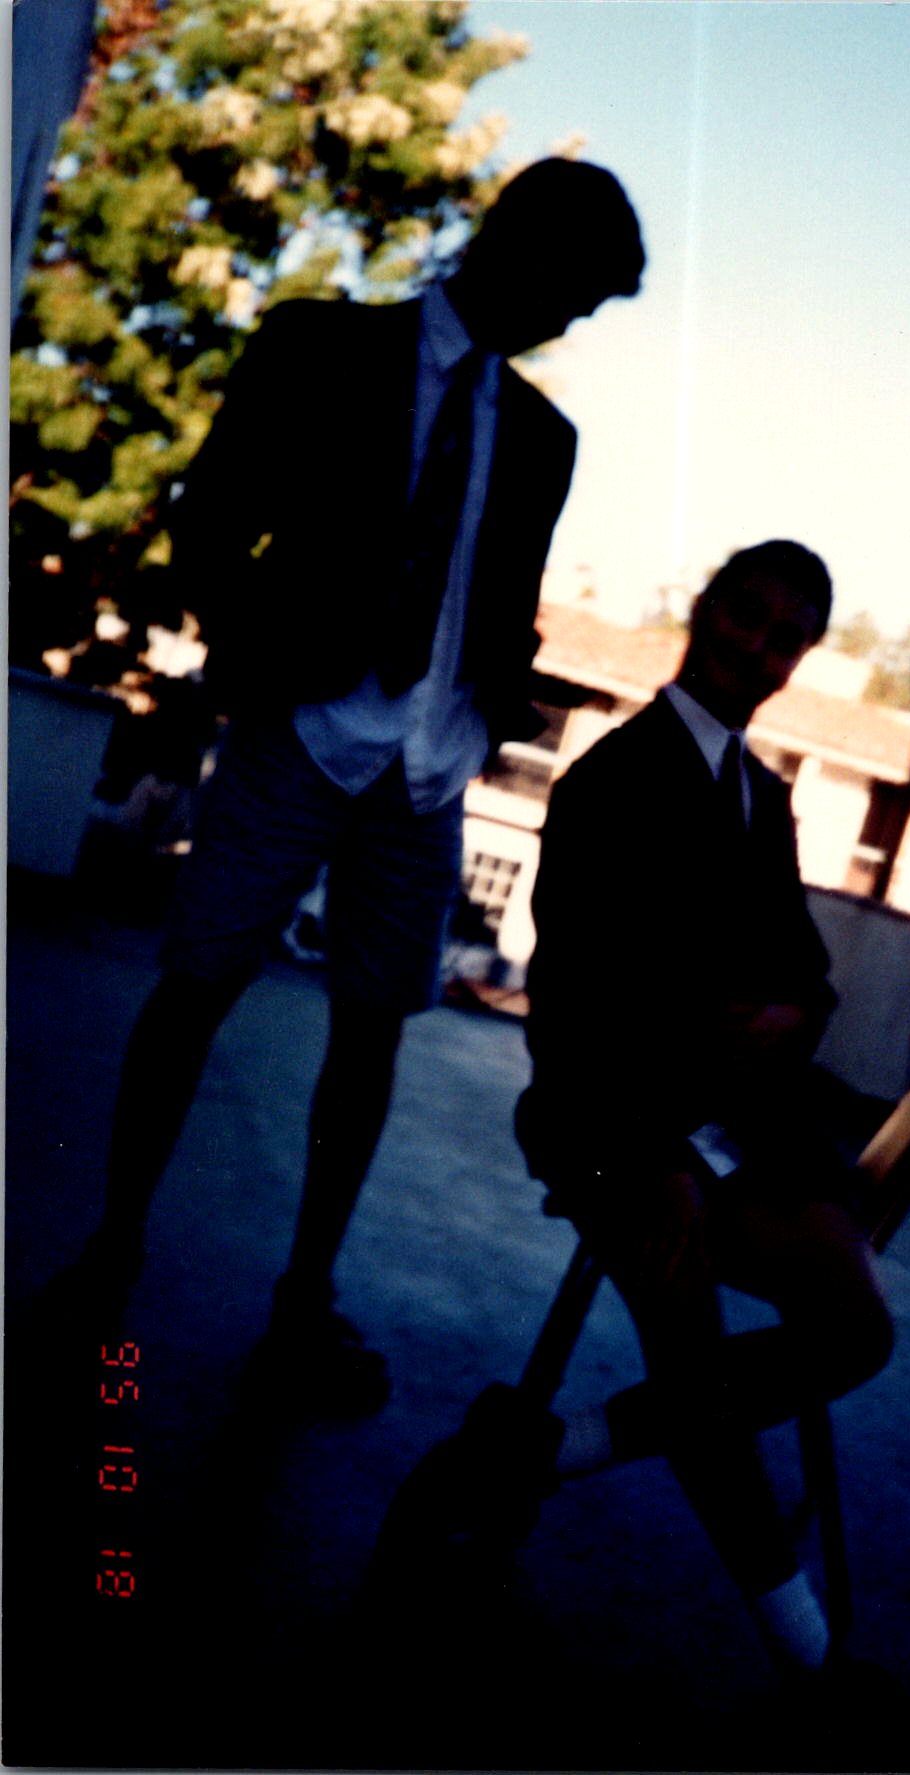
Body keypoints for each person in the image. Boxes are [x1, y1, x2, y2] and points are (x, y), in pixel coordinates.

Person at [83, 158, 646, 1412]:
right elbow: (210, 519)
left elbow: (501, 601)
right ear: (516, 245)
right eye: (571, 294)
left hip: (426, 772)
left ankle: (304, 1299)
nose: (565, 324)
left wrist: (490, 702)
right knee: (194, 987)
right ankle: (110, 1251)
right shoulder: (319, 346)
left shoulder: (543, 439)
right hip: (301, 730)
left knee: (372, 1031)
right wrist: (254, 665)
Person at [518, 540, 894, 1678]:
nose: (755, 645)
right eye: (744, 613)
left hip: (728, 1129)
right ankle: (811, 1655)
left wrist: (792, 1013)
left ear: (798, 661)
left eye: (785, 637)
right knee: (693, 1358)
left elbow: (807, 973)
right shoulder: (609, 780)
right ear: (701, 606)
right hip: (608, 1121)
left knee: (856, 1330)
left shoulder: (762, 797)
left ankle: (558, 1445)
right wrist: (658, 1154)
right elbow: (568, 1005)